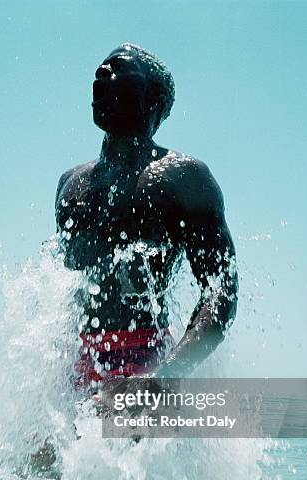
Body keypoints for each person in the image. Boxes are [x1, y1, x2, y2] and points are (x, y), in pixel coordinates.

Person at [56, 43, 238, 387]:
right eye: (101, 67)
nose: (102, 71)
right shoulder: (70, 185)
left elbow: (221, 292)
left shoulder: (184, 178)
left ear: (152, 98)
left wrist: (163, 378)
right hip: (73, 366)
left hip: (146, 358)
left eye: (119, 67)